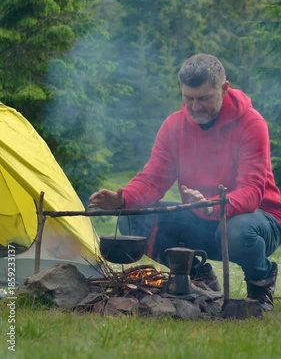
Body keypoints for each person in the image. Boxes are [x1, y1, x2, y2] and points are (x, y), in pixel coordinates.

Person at [89, 53, 281, 311]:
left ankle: (261, 284)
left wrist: (213, 206)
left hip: (258, 220)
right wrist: (122, 199)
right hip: (201, 218)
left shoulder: (250, 123)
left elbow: (252, 190)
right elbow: (153, 179)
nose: (195, 107)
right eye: (188, 98)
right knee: (132, 218)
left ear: (224, 89)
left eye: (203, 98)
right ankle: (200, 276)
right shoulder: (174, 126)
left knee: (236, 229)